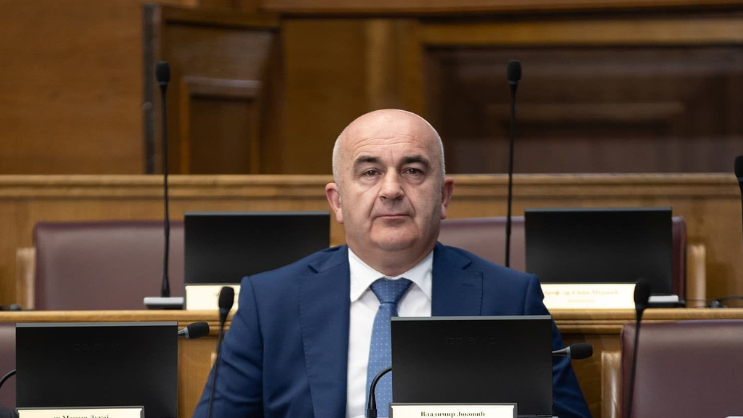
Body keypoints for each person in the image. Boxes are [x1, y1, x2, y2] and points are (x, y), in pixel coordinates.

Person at [192, 109, 591, 418]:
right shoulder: (270, 303)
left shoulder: (509, 298)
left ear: (444, 196)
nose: (391, 190)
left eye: (413, 171)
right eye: (370, 172)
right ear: (337, 201)